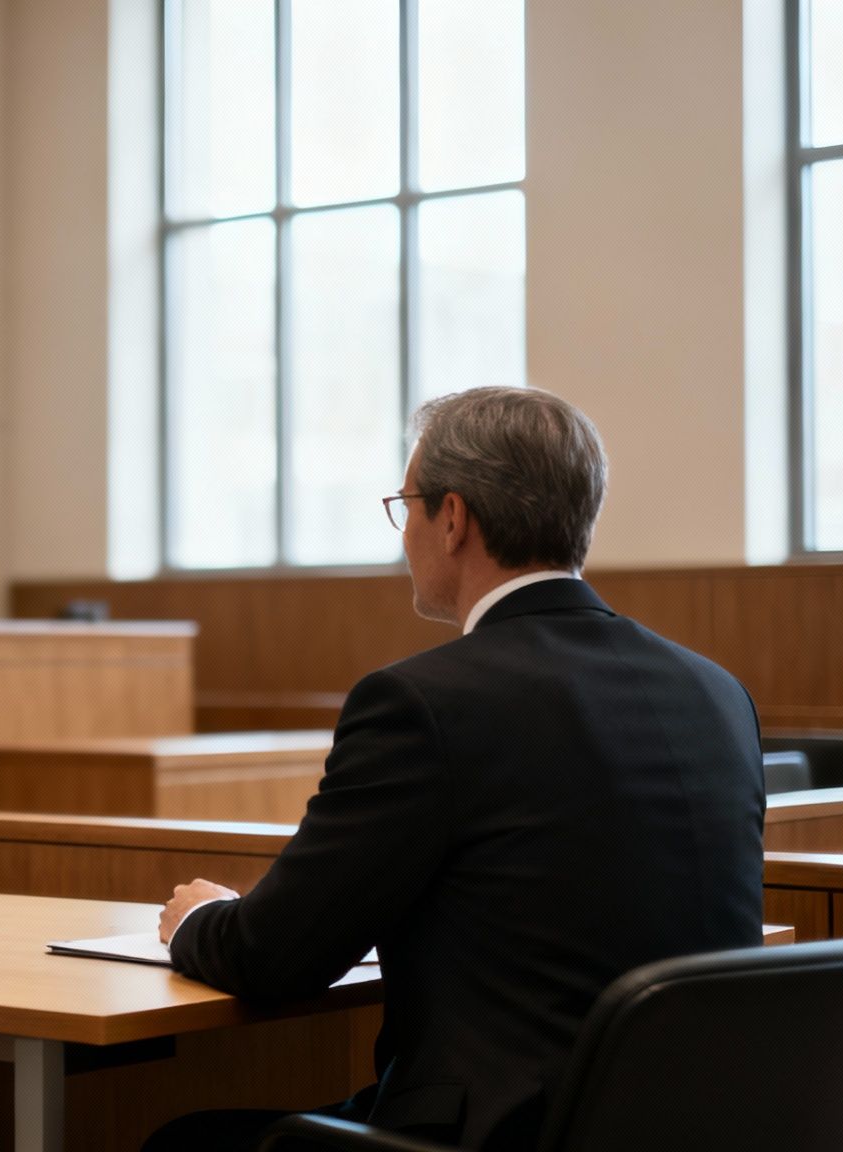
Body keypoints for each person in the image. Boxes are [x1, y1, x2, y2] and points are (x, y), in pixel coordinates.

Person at [147, 388, 765, 1152]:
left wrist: (200, 918)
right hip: (693, 1126)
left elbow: (274, 956)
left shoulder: (421, 702)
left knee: (181, 1143)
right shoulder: (715, 692)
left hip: (501, 1133)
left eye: (406, 505)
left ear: (453, 518)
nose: (403, 532)